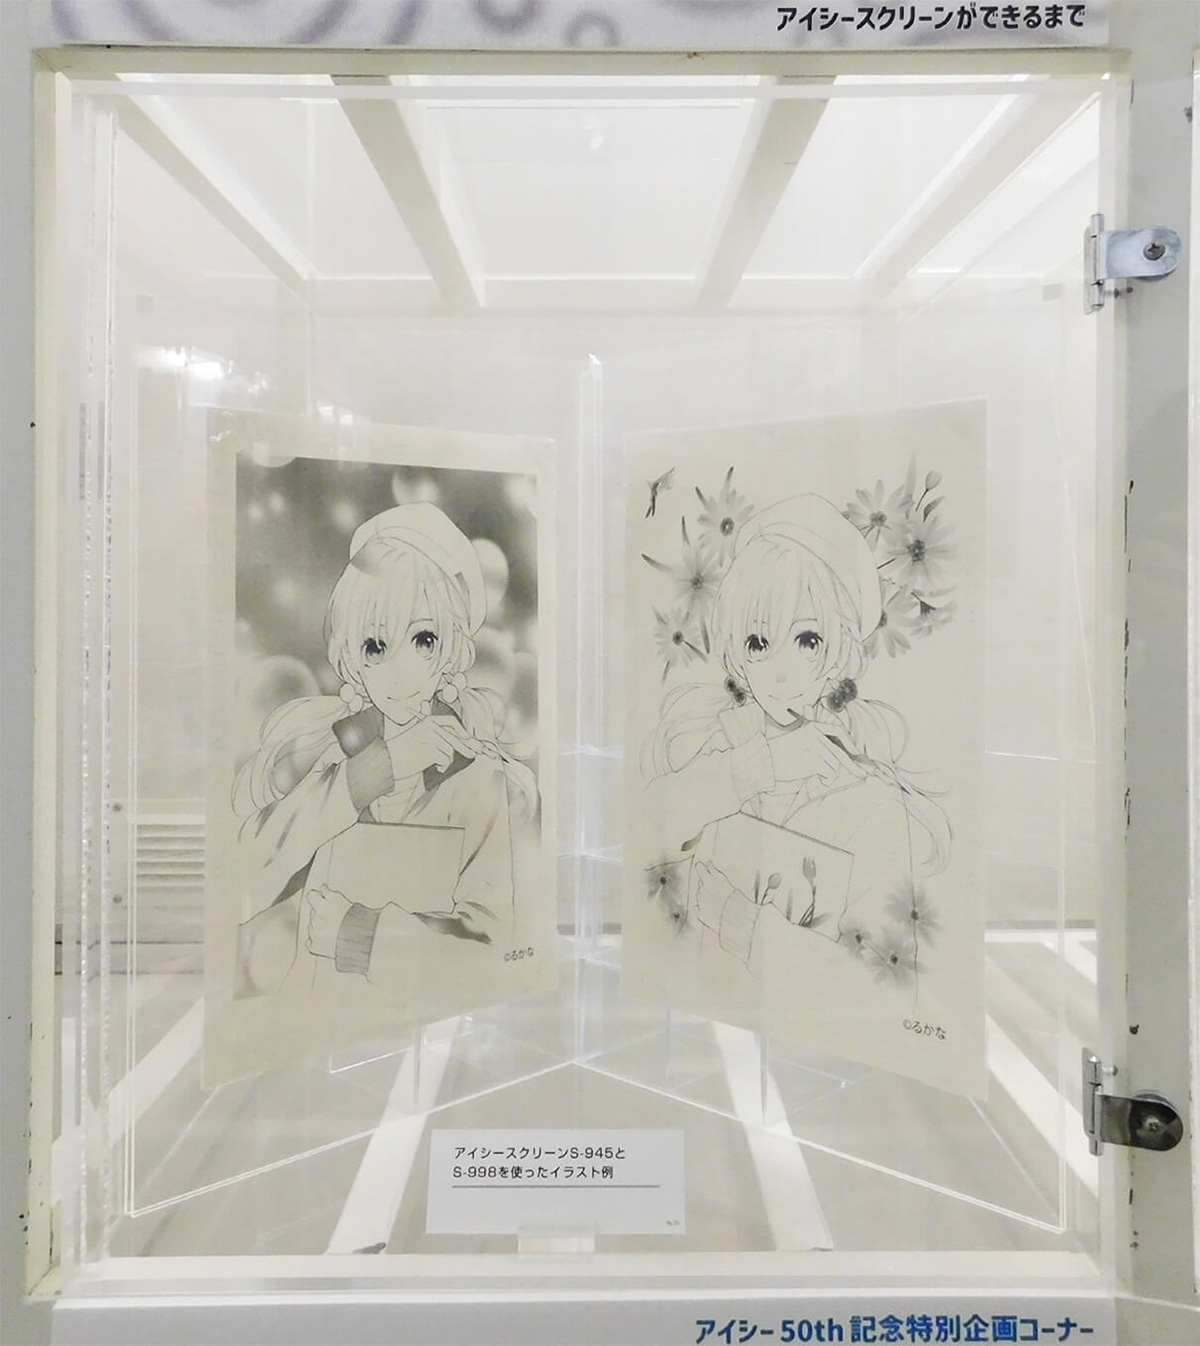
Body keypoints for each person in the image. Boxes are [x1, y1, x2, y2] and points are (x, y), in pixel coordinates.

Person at [641, 494, 949, 985]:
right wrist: (757, 767)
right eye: (758, 643)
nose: (779, 673)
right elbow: (645, 835)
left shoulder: (872, 805)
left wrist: (733, 917)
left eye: (807, 641)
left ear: (840, 651)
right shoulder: (722, 756)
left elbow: (872, 977)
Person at [232, 501, 536, 997]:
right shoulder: (331, 761)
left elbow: (496, 952)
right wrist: (366, 778)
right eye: (375, 646)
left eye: (424, 639)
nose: (401, 670)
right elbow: (244, 881)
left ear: (451, 649)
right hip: (316, 1022)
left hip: (429, 1023)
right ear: (350, 657)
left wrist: (360, 936)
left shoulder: (477, 780)